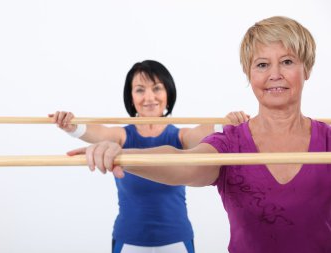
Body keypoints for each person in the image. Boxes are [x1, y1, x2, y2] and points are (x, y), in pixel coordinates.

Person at [70, 17, 331, 253]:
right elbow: (181, 161)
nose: (275, 74)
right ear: (249, 74)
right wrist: (121, 154)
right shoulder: (230, 143)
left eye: (287, 61)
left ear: (306, 68)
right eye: (262, 64)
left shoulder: (328, 140)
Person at [50, 60, 249, 253]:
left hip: (176, 238)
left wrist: (225, 124)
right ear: (131, 97)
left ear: (168, 93)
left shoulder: (179, 136)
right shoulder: (122, 136)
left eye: (156, 88)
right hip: (129, 239)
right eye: (139, 89)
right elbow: (99, 132)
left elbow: (200, 133)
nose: (149, 97)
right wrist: (73, 126)